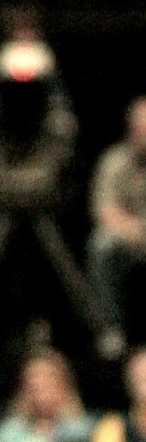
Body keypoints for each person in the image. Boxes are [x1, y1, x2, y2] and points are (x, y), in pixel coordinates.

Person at [90, 97, 146, 360]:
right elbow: (105, 211)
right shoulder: (114, 161)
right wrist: (137, 231)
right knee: (101, 244)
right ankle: (111, 329)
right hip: (129, 243)